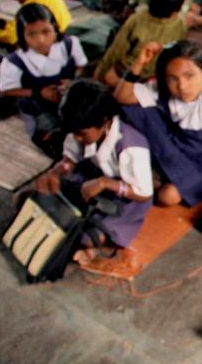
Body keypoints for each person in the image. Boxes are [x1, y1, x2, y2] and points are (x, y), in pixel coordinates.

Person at [115, 40, 202, 206]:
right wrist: (139, 62)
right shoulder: (162, 90)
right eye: (173, 79)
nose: (182, 86)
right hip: (173, 151)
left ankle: (157, 179)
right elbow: (122, 97)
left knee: (167, 197)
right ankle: (157, 175)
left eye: (189, 76)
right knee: (137, 110)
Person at [34, 79, 153, 263]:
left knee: (86, 237)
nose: (77, 138)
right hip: (92, 178)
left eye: (82, 134)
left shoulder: (131, 145)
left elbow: (143, 194)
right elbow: (70, 160)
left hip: (125, 196)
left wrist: (104, 183)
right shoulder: (79, 130)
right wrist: (56, 172)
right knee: (41, 198)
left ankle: (97, 247)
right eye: (74, 133)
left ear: (104, 122)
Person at [0, 4, 86, 148]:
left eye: (46, 31)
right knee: (50, 135)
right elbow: (5, 90)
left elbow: (81, 67)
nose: (40, 40)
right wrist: (39, 92)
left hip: (68, 99)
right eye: (31, 34)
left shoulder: (69, 44)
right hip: (37, 107)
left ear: (55, 28)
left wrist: (73, 82)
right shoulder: (14, 61)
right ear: (22, 35)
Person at [95, 0, 189, 86]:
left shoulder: (137, 19)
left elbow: (117, 50)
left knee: (109, 78)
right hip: (158, 73)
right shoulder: (181, 22)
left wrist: (100, 72)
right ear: (177, 9)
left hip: (131, 69)